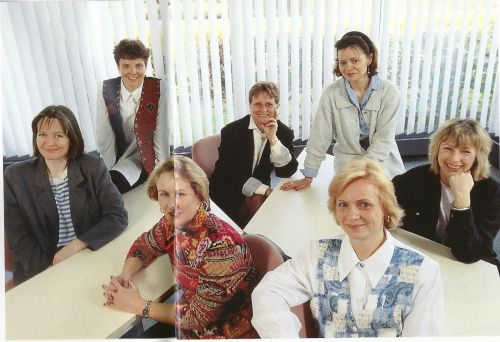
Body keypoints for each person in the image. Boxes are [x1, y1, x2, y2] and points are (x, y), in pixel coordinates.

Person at [252, 159, 443, 338]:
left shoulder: (423, 272)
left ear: (385, 208)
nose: (352, 215)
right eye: (343, 204)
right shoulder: (318, 253)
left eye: (364, 205)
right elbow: (267, 293)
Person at [102, 155, 258, 339]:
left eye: (180, 194)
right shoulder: (173, 222)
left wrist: (138, 305)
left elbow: (197, 318)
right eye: (164, 194)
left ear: (199, 194)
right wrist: (125, 274)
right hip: (187, 318)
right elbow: (144, 245)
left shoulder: (222, 247)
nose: (171, 204)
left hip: (223, 331)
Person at [4, 105, 127, 286]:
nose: (49, 142)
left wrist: (76, 245)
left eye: (58, 135)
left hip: (86, 253)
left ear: (72, 138)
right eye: (42, 134)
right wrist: (46, 272)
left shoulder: (92, 167)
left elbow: (117, 215)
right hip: (39, 265)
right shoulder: (15, 176)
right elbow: (19, 236)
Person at [281, 31, 405, 192]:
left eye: (355, 60)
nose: (348, 67)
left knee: (389, 201)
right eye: (342, 62)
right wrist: (309, 174)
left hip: (384, 160)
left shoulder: (389, 92)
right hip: (348, 160)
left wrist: (363, 172)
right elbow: (320, 135)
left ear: (370, 58)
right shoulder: (331, 94)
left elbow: (383, 140)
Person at [392, 118, 500, 270]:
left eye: (465, 151)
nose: (454, 158)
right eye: (448, 148)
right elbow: (383, 197)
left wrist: (462, 200)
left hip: (473, 264)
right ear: (437, 149)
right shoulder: (417, 177)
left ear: (477, 156)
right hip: (429, 256)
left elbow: (468, 253)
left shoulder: (492, 192)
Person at [210, 81, 298, 227]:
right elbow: (229, 172)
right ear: (250, 106)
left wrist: (273, 138)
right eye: (257, 104)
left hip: (258, 189)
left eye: (269, 104)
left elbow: (287, 171)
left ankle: (257, 241)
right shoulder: (231, 131)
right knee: (258, 208)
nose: (263, 109)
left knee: (280, 211)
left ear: (277, 107)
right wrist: (266, 190)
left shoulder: (283, 132)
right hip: (228, 188)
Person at [96, 38, 169, 194]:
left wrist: (162, 173)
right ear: (118, 67)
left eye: (138, 65)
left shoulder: (158, 88)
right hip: (120, 155)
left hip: (150, 156)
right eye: (126, 66)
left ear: (145, 66)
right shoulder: (106, 89)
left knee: (114, 188)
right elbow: (104, 135)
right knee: (103, 187)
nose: (133, 71)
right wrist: (108, 171)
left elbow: (161, 133)